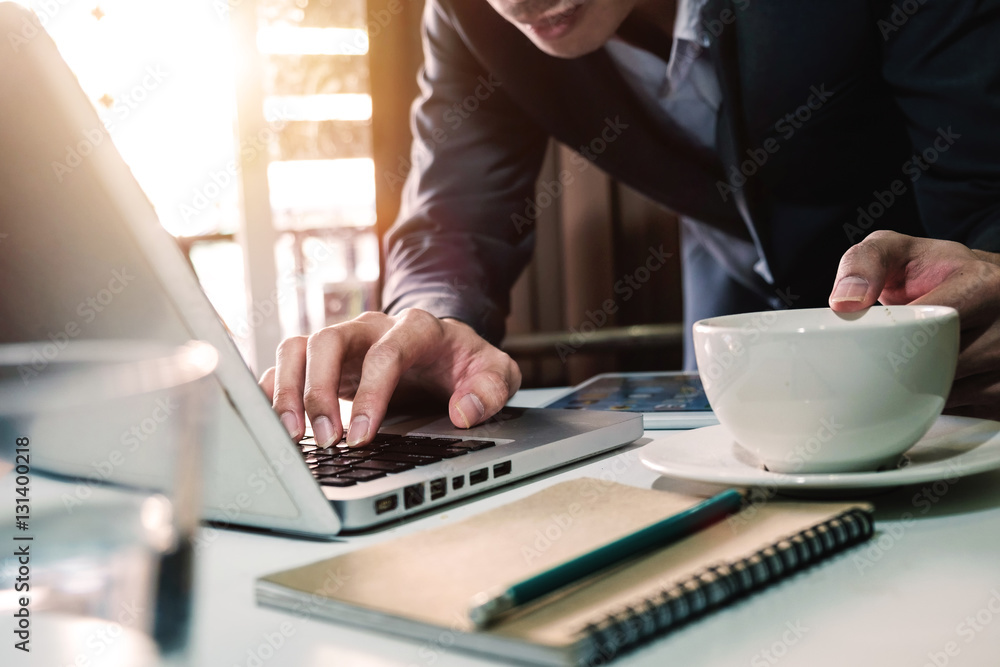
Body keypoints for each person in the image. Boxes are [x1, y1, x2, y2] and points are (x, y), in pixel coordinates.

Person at [259, 0, 1000, 447]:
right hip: (728, 306)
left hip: (913, 305)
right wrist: (426, 318)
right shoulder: (467, 17)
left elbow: (982, 178)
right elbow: (453, 219)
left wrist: (989, 273)